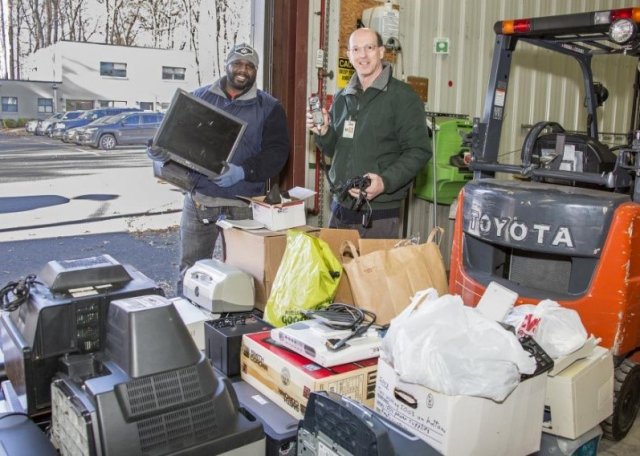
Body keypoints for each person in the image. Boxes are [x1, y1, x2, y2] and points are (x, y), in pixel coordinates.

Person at [149, 43, 289, 289]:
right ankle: (189, 321)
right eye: (237, 63)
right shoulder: (200, 98)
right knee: (192, 271)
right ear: (227, 65)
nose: (242, 70)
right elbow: (179, 142)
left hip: (243, 204)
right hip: (201, 200)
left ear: (256, 70)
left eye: (249, 66)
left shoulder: (269, 107)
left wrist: (243, 171)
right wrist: (161, 152)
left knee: (247, 276)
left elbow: (277, 153)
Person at [307, 28, 431, 238]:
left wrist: (384, 181)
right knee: (335, 270)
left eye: (369, 48)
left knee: (370, 272)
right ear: (349, 55)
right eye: (356, 49)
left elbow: (418, 151)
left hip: (378, 214)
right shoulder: (343, 96)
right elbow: (333, 149)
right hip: (339, 206)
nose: (362, 55)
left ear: (381, 52)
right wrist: (324, 131)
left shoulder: (403, 97)